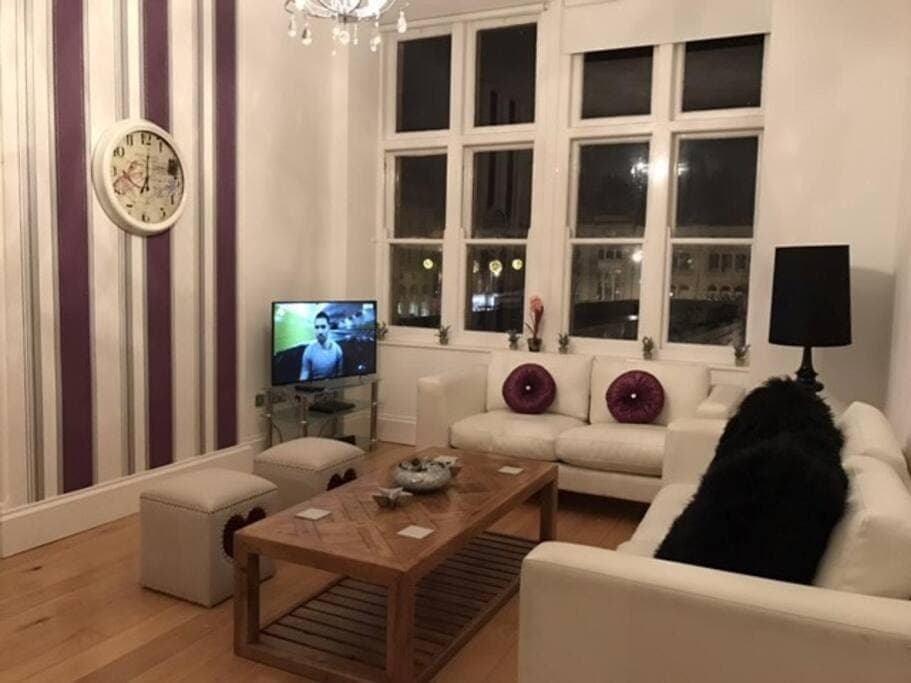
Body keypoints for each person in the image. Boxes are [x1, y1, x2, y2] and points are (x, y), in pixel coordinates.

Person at [300, 311, 343, 381]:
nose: (319, 331)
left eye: (323, 327)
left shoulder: (337, 350)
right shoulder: (308, 351)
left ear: (328, 328)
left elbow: (340, 374)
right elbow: (304, 373)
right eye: (317, 327)